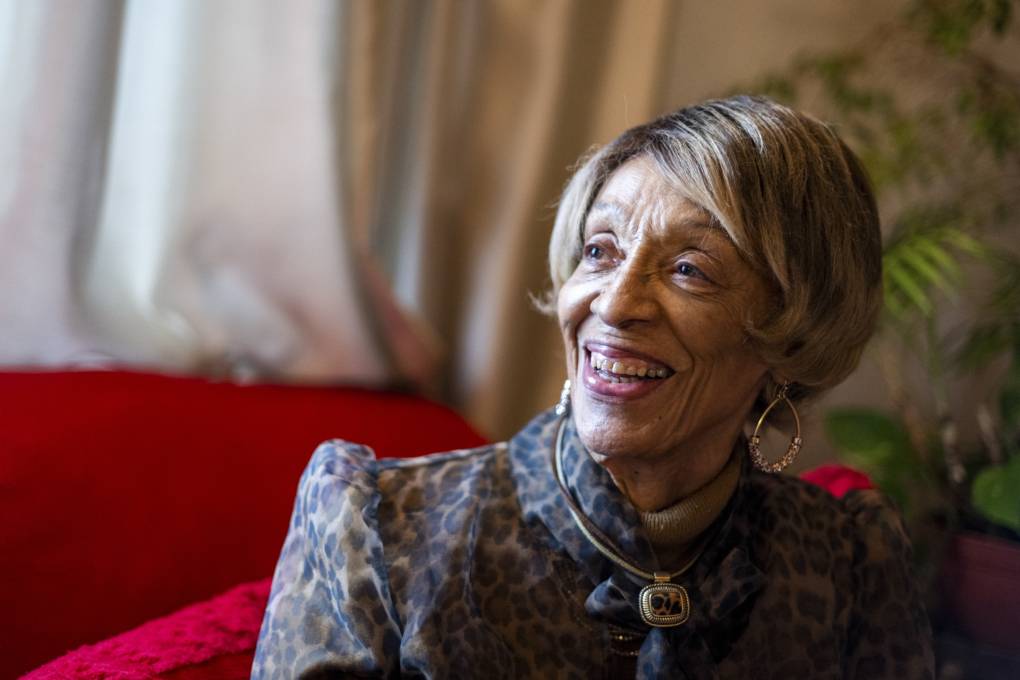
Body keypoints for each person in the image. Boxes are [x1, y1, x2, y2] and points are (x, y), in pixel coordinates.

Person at [252, 96, 934, 679]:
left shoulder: (851, 566)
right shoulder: (377, 528)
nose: (613, 304)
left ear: (791, 333)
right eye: (600, 250)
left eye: (690, 269)